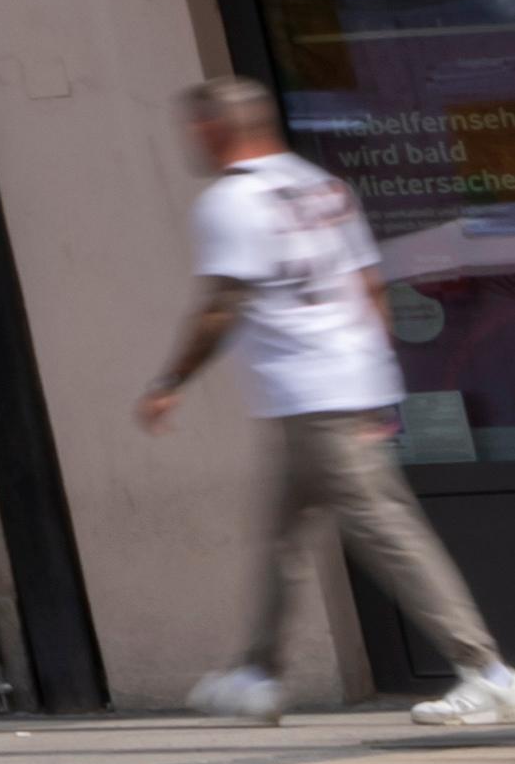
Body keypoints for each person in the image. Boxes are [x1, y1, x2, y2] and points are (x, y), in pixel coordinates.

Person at [147, 78, 515, 727]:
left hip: (312, 393)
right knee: (282, 531)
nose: (189, 139)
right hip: (330, 390)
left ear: (213, 129)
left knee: (388, 531)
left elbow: (221, 302)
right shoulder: (321, 187)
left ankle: (484, 669)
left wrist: (169, 380)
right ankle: (256, 672)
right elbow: (368, 285)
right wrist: (376, 383)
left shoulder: (232, 200)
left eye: (193, 127)